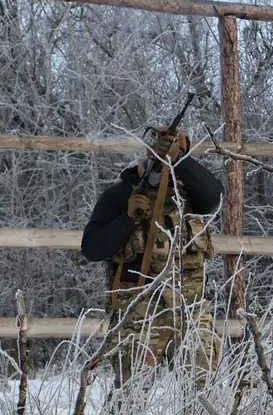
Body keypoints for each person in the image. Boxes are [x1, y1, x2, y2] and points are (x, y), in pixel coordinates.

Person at [81, 127, 223, 385]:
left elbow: (215, 197)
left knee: (203, 388)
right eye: (158, 151)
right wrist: (127, 219)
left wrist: (181, 159)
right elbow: (92, 248)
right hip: (139, 307)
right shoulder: (119, 196)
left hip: (189, 307)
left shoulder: (188, 195)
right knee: (131, 394)